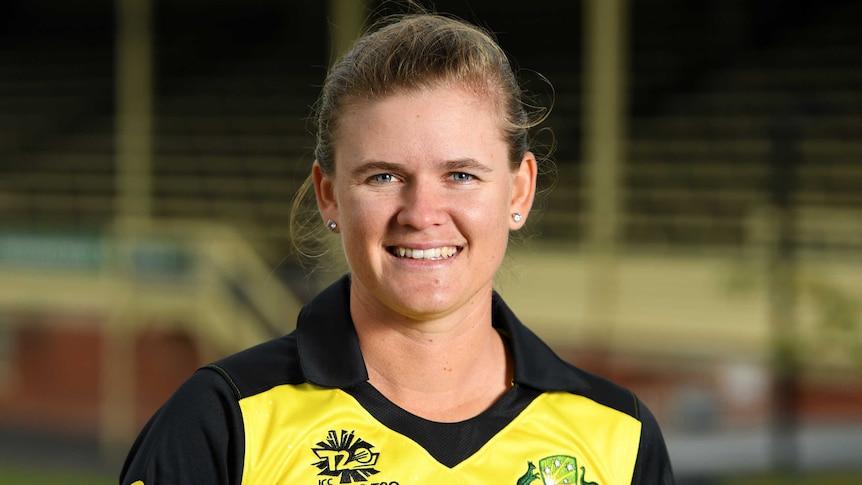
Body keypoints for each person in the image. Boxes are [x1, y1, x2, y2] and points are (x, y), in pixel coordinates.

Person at [120, 12, 674, 485]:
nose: (421, 213)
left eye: (459, 174)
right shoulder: (222, 422)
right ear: (330, 196)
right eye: (384, 177)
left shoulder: (618, 439)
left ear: (520, 190)